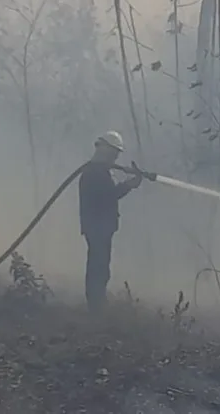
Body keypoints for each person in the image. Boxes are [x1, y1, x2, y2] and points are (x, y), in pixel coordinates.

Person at [78, 131, 142, 312]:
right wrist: (130, 184)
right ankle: (96, 306)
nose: (115, 158)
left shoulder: (97, 171)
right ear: (105, 151)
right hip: (97, 227)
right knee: (99, 267)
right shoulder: (95, 173)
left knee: (100, 266)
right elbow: (110, 196)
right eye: (113, 154)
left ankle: (97, 303)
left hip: (99, 227)